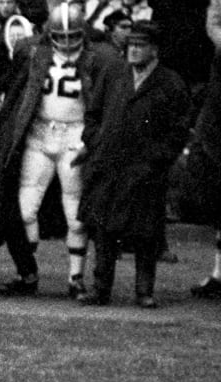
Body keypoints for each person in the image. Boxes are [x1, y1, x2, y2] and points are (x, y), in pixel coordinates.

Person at [0, 3, 127, 297]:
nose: (66, 42)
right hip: (39, 134)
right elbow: (16, 95)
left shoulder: (97, 58)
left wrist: (88, 141)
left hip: (74, 134)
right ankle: (27, 273)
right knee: (25, 209)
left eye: (72, 36)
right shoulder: (34, 54)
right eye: (60, 36)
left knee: (75, 211)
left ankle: (75, 277)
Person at [78, 21, 191, 308]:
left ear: (154, 49)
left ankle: (144, 291)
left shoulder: (171, 83)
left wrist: (158, 158)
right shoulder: (113, 72)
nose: (134, 50)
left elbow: (179, 131)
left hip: (146, 169)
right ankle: (101, 289)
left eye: (141, 45)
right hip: (109, 163)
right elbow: (92, 114)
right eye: (131, 44)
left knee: (146, 233)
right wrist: (96, 142)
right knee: (103, 230)